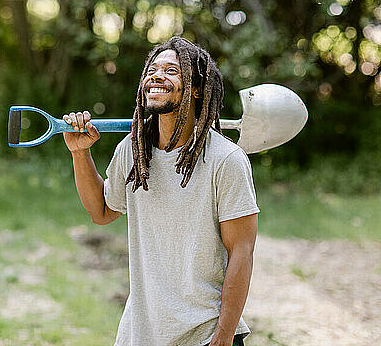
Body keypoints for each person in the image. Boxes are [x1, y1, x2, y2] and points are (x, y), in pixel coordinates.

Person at [62, 36, 259, 346]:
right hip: (140, 333)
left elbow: (242, 252)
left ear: (196, 88)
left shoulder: (226, 160)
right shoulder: (133, 150)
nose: (156, 76)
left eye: (171, 70)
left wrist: (222, 337)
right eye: (152, 70)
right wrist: (80, 154)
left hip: (204, 334)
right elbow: (101, 212)